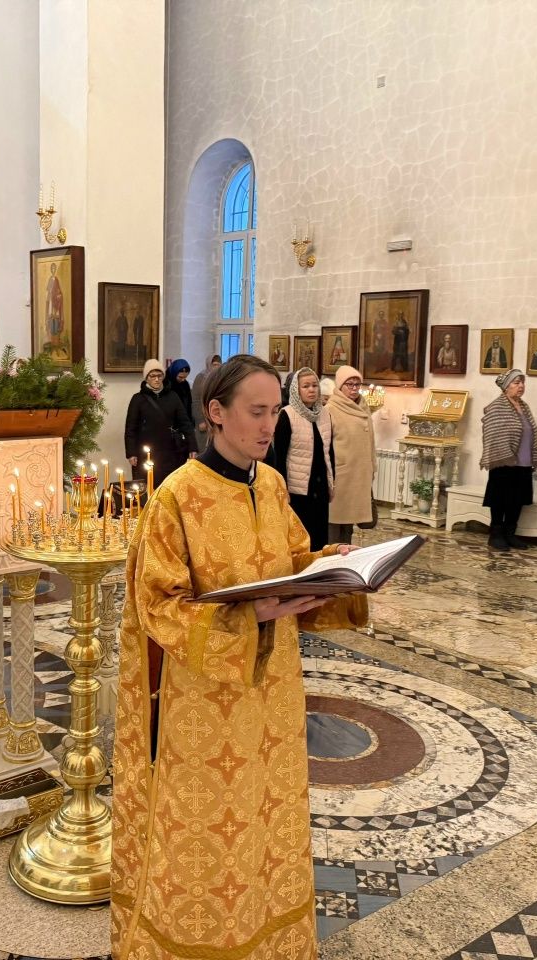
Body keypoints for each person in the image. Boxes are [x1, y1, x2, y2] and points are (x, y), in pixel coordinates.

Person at [110, 354, 367, 959]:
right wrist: (249, 616)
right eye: (256, 411)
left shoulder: (271, 485)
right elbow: (158, 605)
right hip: (205, 704)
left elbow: (291, 560)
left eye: (275, 411)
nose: (269, 425)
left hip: (273, 693)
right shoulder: (177, 498)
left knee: (265, 815)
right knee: (209, 832)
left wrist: (334, 568)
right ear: (216, 413)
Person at [479, 369, 537, 551]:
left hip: (523, 462)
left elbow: (530, 432)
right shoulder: (496, 407)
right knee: (500, 499)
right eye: (516, 383)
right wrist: (504, 453)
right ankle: (496, 535)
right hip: (503, 461)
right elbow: (492, 434)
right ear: (506, 386)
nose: (521, 386)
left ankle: (510, 534)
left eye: (522, 382)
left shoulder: (524, 407)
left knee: (517, 499)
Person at [272, 367, 333, 549]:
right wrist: (283, 489)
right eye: (306, 386)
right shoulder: (287, 415)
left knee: (320, 537)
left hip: (320, 486)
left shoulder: (325, 414)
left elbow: (329, 451)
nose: (311, 390)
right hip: (298, 489)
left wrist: (332, 481)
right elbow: (280, 456)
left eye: (314, 385)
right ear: (296, 390)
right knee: (301, 539)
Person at [124, 358, 196, 488]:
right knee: (147, 488)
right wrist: (131, 453)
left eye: (159, 375)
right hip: (146, 453)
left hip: (170, 452)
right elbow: (130, 428)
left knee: (169, 487)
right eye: (152, 376)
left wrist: (193, 447)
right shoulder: (138, 399)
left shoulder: (173, 396)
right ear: (146, 378)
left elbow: (185, 423)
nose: (156, 379)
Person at [326, 364, 376, 543]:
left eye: (357, 384)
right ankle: (331, 554)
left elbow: (371, 440)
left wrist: (372, 466)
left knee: (349, 523)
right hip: (340, 474)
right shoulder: (330, 409)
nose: (354, 388)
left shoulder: (363, 406)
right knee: (334, 520)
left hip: (359, 473)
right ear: (340, 386)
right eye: (350, 384)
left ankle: (347, 552)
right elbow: (325, 445)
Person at [189, 354, 222, 452]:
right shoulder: (201, 377)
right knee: (204, 449)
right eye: (214, 364)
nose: (216, 367)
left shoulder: (221, 378)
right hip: (204, 418)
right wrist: (200, 420)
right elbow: (196, 400)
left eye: (218, 365)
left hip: (217, 418)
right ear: (209, 364)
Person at [164, 358, 193, 430]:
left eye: (185, 377)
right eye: (180, 377)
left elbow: (188, 403)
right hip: (168, 424)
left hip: (183, 422)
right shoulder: (165, 384)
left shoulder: (185, 384)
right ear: (174, 373)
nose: (183, 380)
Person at [45, 263, 64, 352]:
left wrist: (59, 295)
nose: (53, 270)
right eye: (52, 268)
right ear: (50, 269)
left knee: (56, 320)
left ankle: (56, 342)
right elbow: (48, 291)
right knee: (51, 320)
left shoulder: (56, 279)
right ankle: (52, 342)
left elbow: (59, 291)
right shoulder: (50, 279)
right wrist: (50, 297)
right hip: (52, 302)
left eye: (54, 268)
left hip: (56, 302)